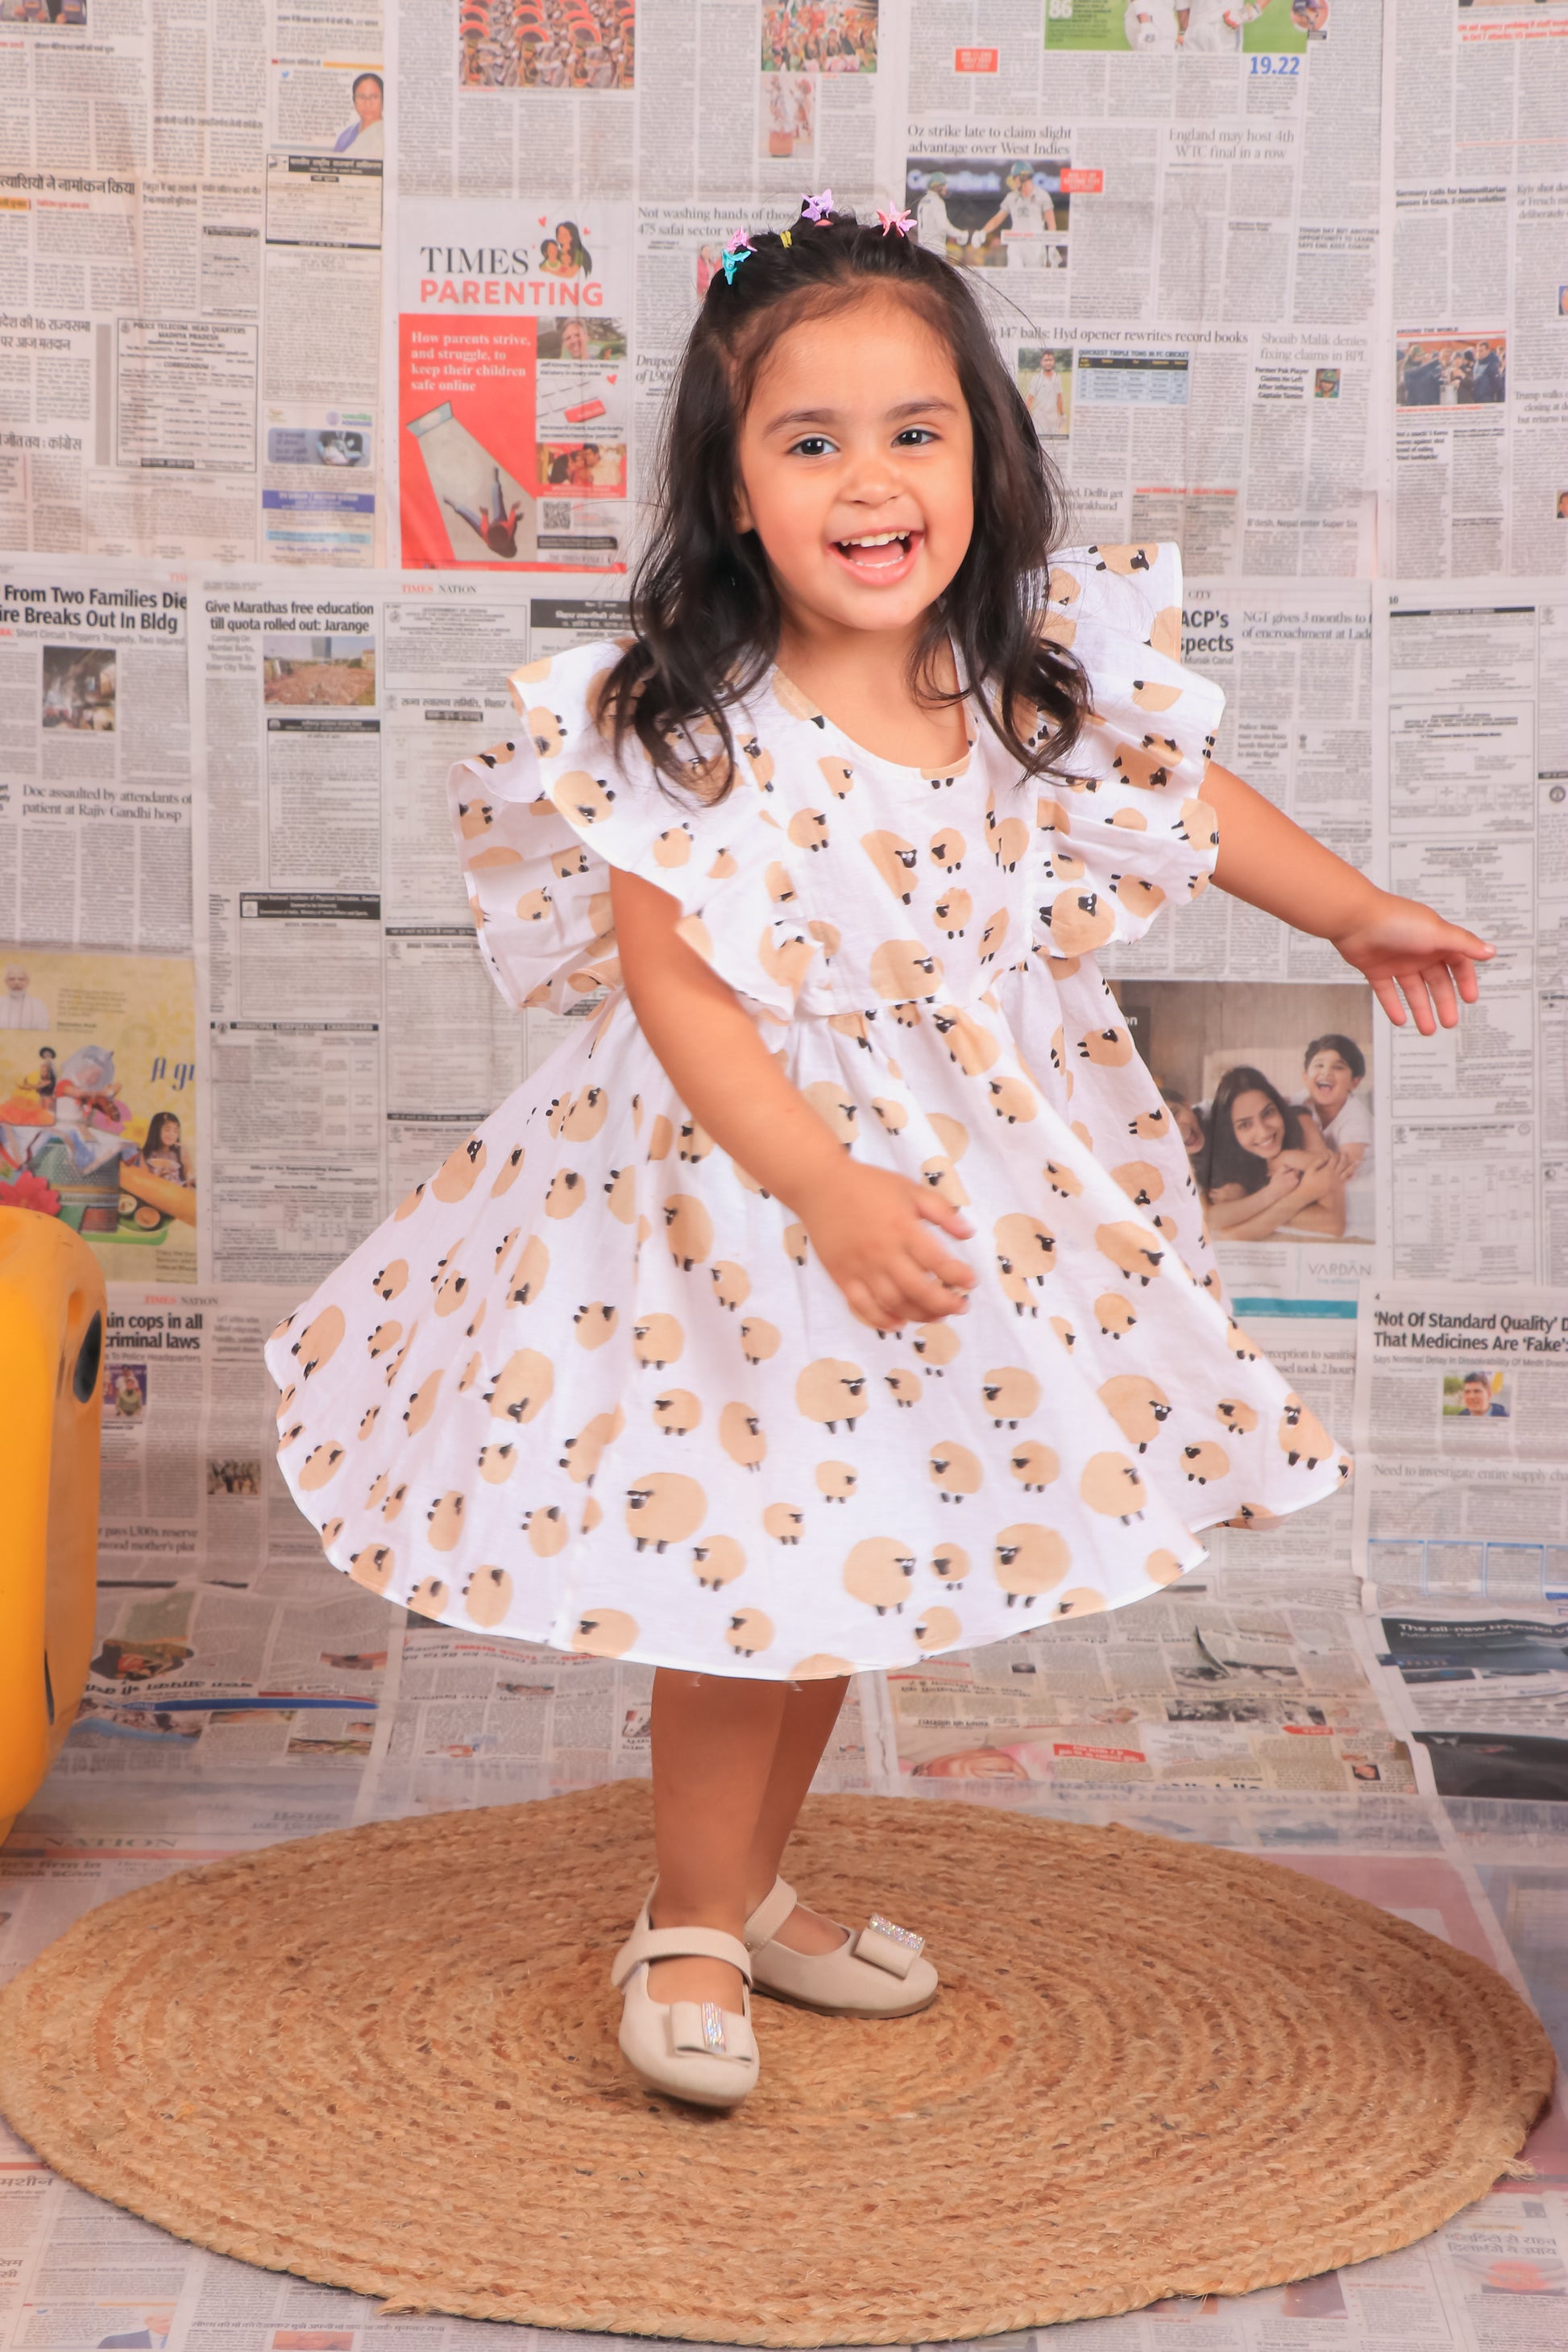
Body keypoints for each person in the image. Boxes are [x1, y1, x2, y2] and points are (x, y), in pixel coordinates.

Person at [267, 199, 1491, 2113]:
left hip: (948, 1194)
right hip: (732, 1207)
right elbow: (677, 993)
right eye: (809, 440)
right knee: (749, 1560)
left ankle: (749, 1887)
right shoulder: (687, 725)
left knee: (853, 1548)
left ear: (981, 456)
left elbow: (1189, 799)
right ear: (732, 489)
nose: (870, 481)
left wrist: (1354, 910)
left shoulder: (1014, 681)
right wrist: (820, 1187)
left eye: (914, 431)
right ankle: (685, 1918)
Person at [1199, 1065, 1347, 1239]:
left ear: (1279, 1107)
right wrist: (1287, 1194)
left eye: (1268, 1113)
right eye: (1244, 1125)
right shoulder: (1226, 1154)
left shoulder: (1300, 1120)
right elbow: (1219, 1225)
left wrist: (1288, 1157)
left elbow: (1334, 1224)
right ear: (1230, 1132)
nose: (1263, 1132)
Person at [1292, 1032, 1371, 1177]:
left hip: (1355, 1181)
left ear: (1354, 1082)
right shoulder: (1296, 1103)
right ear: (1305, 1077)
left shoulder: (1357, 1117)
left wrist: (1288, 1158)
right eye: (1319, 1065)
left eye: (1338, 1067)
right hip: (1317, 1171)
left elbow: (1344, 1170)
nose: (1326, 1072)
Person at [976, 168, 1058, 269]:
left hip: (1036, 245)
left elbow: (1051, 223)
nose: (1014, 183)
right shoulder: (1011, 197)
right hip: (1016, 243)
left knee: (1035, 275)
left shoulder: (1043, 196)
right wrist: (983, 231)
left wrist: (1052, 246)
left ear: (1024, 178)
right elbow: (997, 219)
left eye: (1015, 179)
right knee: (1014, 274)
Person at [442, 468, 525, 558]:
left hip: (491, 531)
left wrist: (485, 514)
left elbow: (481, 524)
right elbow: (513, 517)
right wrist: (515, 512)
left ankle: (452, 503)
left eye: (492, 526)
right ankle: (496, 482)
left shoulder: (486, 535)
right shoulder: (509, 528)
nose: (493, 524)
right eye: (494, 525)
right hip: (501, 524)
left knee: (468, 516)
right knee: (498, 500)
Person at [333, 72, 384, 156]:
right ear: (354, 100)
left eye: (374, 97)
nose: (368, 104)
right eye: (362, 97)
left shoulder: (390, 135)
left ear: (383, 99)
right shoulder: (345, 137)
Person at [2, 964, 48, 1028]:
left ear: (27, 982)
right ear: (6, 982)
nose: (17, 982)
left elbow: (43, 1028)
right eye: (12, 979)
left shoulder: (38, 1005)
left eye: (21, 979)